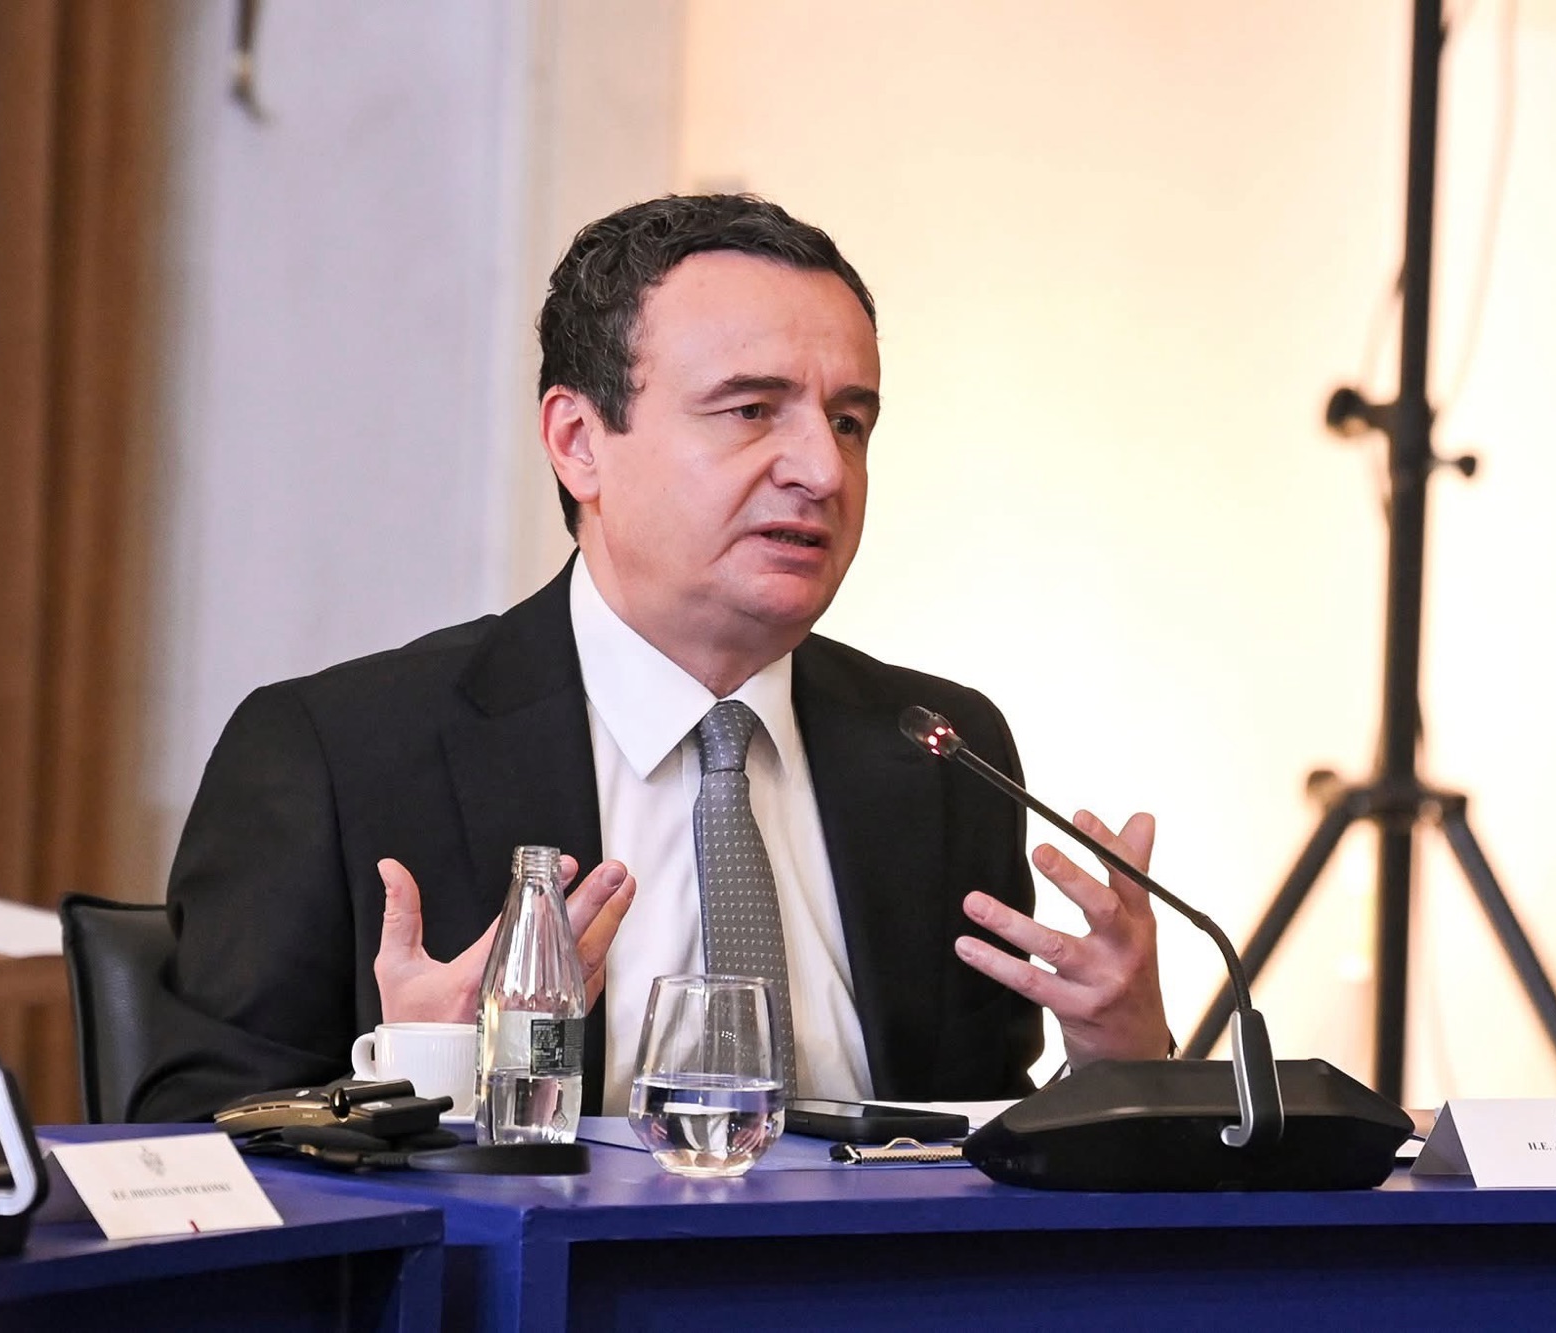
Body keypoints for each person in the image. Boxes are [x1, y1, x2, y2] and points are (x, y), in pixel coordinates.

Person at [132, 195, 1168, 1123]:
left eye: (850, 422)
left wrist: (1121, 1065)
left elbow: (981, 1144)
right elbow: (187, 1144)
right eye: (751, 410)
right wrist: (424, 1068)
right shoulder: (340, 754)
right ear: (578, 441)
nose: (822, 469)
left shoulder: (939, 751)